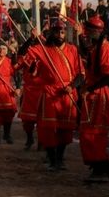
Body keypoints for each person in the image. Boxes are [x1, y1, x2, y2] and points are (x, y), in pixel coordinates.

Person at [20, 21, 84, 171]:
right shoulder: (44, 49)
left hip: (67, 93)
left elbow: (80, 74)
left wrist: (72, 86)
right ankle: (52, 159)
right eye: (57, 32)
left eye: (62, 32)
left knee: (65, 129)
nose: (60, 35)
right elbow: (22, 54)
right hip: (49, 93)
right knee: (47, 128)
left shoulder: (73, 49)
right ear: (52, 33)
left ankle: (60, 159)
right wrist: (32, 38)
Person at [79, 16, 109, 182]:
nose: (86, 34)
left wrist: (90, 89)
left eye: (88, 31)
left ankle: (101, 169)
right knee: (87, 132)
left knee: (94, 134)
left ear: (95, 31)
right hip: (92, 95)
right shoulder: (95, 47)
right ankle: (101, 167)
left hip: (99, 96)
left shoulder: (105, 48)